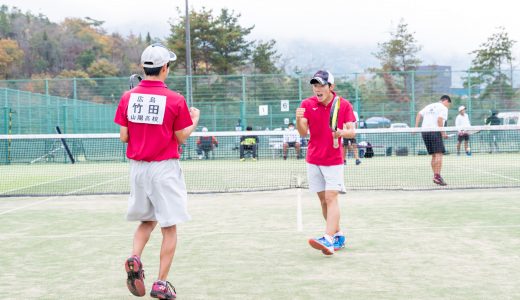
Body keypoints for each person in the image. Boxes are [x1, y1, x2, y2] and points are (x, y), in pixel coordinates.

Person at [114, 43, 199, 299]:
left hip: (138, 170)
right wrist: (194, 120)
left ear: (143, 67)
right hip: (164, 169)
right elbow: (181, 136)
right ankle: (161, 283)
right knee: (169, 227)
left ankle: (135, 257)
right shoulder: (175, 99)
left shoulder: (128, 97)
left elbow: (123, 137)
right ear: (165, 68)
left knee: (146, 221)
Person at [296, 70, 356, 255]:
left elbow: (351, 131)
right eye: (315, 86)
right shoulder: (307, 104)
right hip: (313, 159)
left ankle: (328, 239)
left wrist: (341, 133)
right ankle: (338, 235)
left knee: (331, 198)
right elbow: (302, 133)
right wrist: (298, 119)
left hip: (333, 160)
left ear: (331, 86)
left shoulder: (343, 105)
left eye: (321, 85)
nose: (317, 89)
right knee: (323, 201)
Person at [414, 95, 451, 186]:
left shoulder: (429, 106)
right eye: (448, 104)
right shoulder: (443, 108)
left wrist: (415, 128)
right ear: (446, 101)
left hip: (424, 132)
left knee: (434, 155)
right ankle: (437, 176)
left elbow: (419, 114)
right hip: (434, 132)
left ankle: (436, 176)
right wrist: (443, 134)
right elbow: (439, 120)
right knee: (439, 154)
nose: (448, 106)